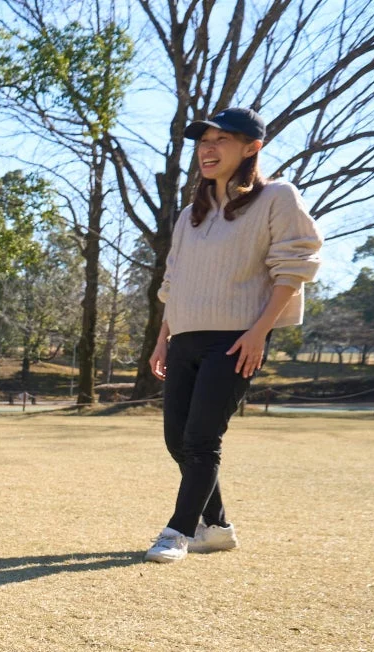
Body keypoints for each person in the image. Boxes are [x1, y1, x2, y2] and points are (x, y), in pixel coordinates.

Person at [146, 107, 322, 563]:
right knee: (177, 441)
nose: (208, 149)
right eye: (203, 141)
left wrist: (260, 332)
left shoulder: (277, 197)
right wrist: (164, 336)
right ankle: (219, 526)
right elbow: (174, 279)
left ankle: (178, 532)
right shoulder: (191, 215)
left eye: (220, 140)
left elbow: (296, 264)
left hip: (235, 340)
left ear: (251, 147)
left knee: (203, 439)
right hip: (183, 337)